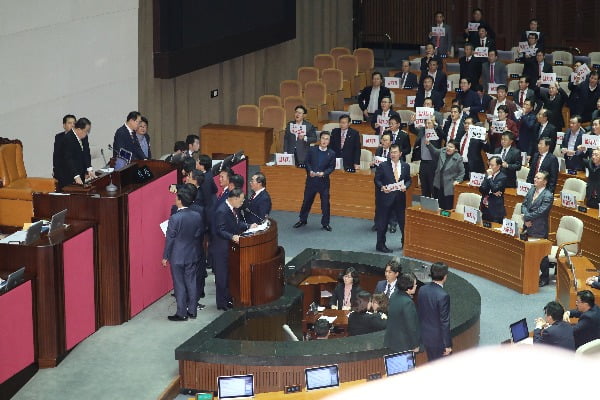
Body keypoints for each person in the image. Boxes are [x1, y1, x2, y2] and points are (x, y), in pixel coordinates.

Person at [161, 184, 204, 321]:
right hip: (192, 253)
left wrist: (165, 256)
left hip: (177, 256)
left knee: (179, 284)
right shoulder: (197, 215)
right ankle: (192, 310)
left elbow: (170, 239)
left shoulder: (175, 218)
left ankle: (181, 313)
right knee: (191, 282)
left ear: (180, 200)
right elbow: (198, 234)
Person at [211, 188, 256, 311]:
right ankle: (222, 303)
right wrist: (232, 236)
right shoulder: (221, 210)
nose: (242, 203)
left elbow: (236, 224)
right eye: (241, 201)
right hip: (220, 249)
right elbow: (220, 230)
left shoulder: (232, 209)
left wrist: (248, 226)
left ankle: (228, 299)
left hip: (229, 247)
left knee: (228, 275)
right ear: (234, 199)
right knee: (222, 276)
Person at [293, 131, 336, 231]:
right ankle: (302, 220)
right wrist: (310, 171)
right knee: (306, 201)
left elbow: (331, 167)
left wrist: (324, 173)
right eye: (323, 138)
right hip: (311, 181)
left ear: (329, 141)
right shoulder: (312, 150)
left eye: (327, 139)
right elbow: (307, 162)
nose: (324, 141)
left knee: (325, 204)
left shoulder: (332, 153)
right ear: (319, 139)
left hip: (323, 183)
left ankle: (325, 223)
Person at [374, 144, 411, 253]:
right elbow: (377, 180)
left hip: (400, 199)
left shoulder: (406, 166)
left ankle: (405, 243)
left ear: (400, 154)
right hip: (385, 199)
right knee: (383, 223)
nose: (393, 154)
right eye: (392, 152)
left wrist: (406, 186)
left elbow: (408, 180)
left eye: (395, 152)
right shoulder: (383, 166)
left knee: (403, 222)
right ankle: (380, 245)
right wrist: (382, 186)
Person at [417, 262, 452, 361]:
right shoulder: (443, 295)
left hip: (425, 336)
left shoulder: (422, 289)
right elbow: (444, 322)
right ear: (445, 277)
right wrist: (447, 344)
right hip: (438, 341)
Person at [384, 272, 421, 353]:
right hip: (403, 345)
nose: (416, 286)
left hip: (391, 341)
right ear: (408, 288)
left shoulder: (394, 295)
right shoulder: (408, 302)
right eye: (415, 284)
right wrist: (415, 345)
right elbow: (411, 326)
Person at [58, 117, 96, 189]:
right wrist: (76, 176)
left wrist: (89, 169)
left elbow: (86, 153)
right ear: (78, 129)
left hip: (81, 173)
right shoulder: (67, 139)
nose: (87, 133)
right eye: (86, 131)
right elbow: (69, 159)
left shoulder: (84, 136)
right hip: (69, 175)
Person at [428, 139, 465, 210]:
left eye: (451, 147)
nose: (448, 148)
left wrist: (458, 180)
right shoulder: (443, 151)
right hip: (438, 183)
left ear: (456, 149)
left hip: (448, 186)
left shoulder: (458, 158)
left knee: (446, 207)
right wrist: (428, 144)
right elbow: (434, 151)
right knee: (436, 206)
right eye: (448, 145)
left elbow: (462, 172)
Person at [410, 116, 442, 198]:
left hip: (433, 163)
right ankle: (425, 206)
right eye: (426, 123)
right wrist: (411, 122)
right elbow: (412, 129)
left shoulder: (437, 131)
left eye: (429, 123)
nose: (427, 125)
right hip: (423, 162)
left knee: (433, 187)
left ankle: (435, 207)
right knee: (424, 186)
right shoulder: (422, 131)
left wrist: (436, 126)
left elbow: (443, 135)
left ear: (433, 124)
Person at [522, 170, 554, 242]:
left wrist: (526, 217)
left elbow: (540, 212)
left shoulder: (548, 196)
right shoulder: (531, 189)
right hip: (526, 226)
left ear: (545, 182)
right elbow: (524, 205)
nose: (535, 179)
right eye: (535, 177)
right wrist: (526, 219)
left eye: (538, 178)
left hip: (538, 229)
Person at [53, 114, 79, 186]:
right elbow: (56, 156)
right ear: (64, 125)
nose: (72, 125)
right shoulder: (58, 137)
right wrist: (56, 171)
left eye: (74, 123)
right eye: (69, 123)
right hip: (62, 173)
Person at [479, 156, 507, 223]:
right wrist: (491, 191)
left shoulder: (503, 177)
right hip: (485, 208)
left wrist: (490, 177)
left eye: (492, 165)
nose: (490, 167)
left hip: (496, 210)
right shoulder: (487, 175)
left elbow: (494, 189)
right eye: (489, 165)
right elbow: (481, 189)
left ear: (498, 166)